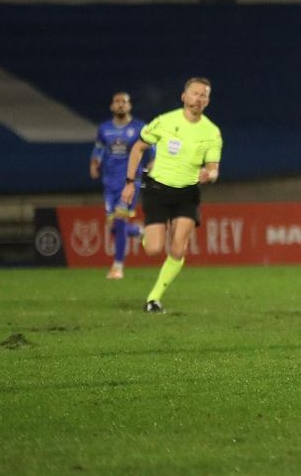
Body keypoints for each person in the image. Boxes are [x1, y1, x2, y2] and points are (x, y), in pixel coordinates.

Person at [120, 78, 222, 313]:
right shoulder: (165, 122)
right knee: (154, 249)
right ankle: (142, 234)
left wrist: (211, 175)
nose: (198, 98)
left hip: (187, 192)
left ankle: (153, 298)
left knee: (178, 249)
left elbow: (214, 168)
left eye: (203, 95)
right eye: (194, 94)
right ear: (184, 97)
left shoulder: (211, 132)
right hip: (158, 190)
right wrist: (129, 183)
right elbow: (137, 148)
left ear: (207, 101)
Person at [90, 91, 150, 280]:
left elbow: (153, 148)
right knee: (114, 227)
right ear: (112, 106)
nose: (121, 105)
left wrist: (152, 165)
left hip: (129, 183)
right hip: (109, 183)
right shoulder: (104, 128)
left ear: (129, 106)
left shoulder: (140, 127)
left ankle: (117, 267)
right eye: (117, 102)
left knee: (120, 221)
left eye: (124, 102)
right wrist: (94, 163)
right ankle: (139, 231)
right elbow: (99, 147)